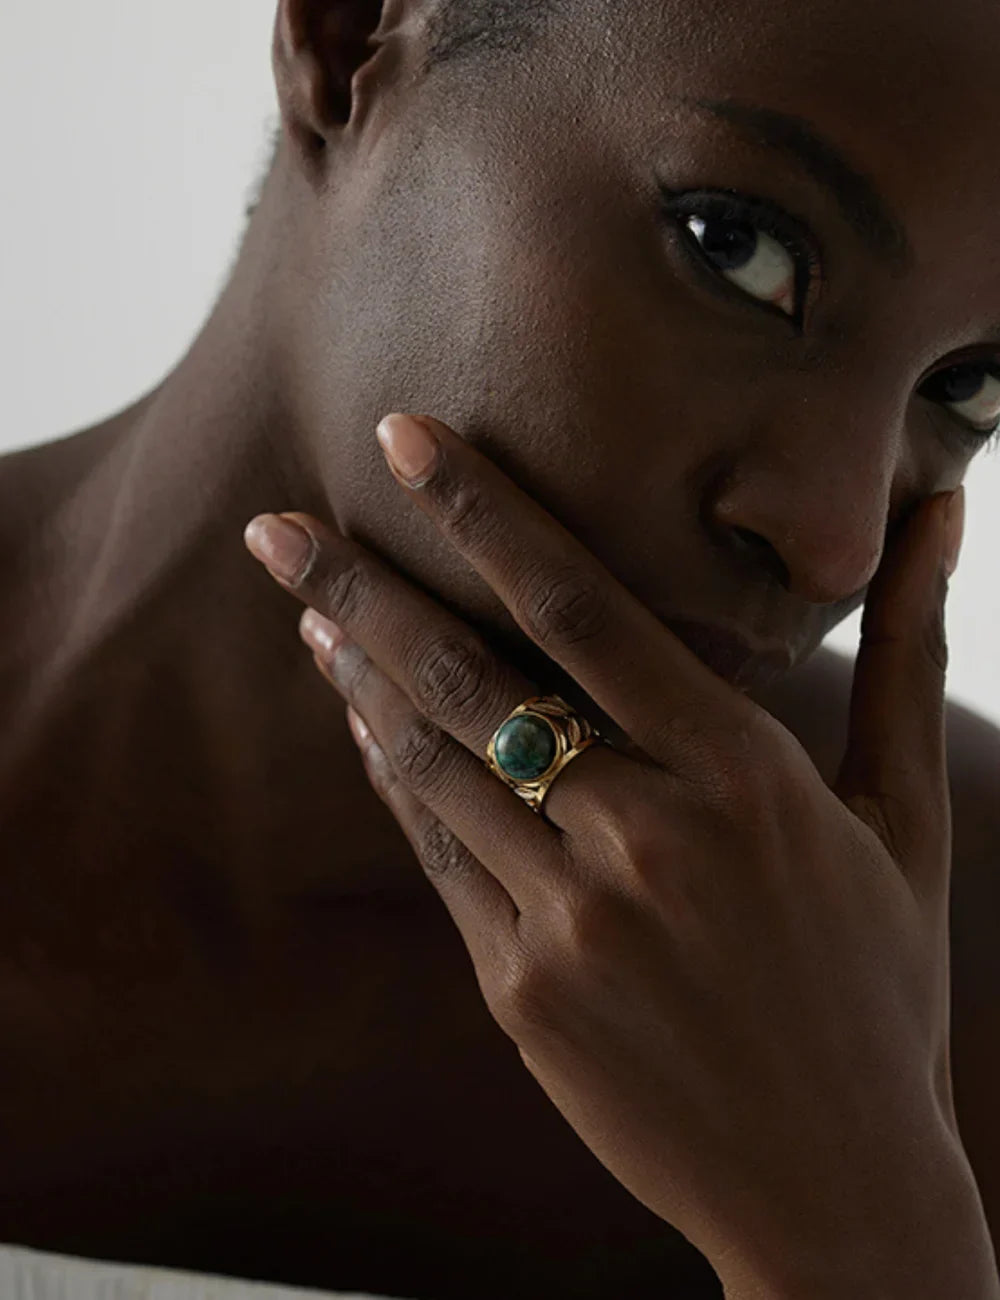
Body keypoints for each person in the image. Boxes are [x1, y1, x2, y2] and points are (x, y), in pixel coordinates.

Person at [1, 0, 999, 1295]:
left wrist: (870, 1232)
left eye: (969, 386)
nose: (838, 541)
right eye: (737, 247)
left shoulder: (957, 985)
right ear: (349, 44)